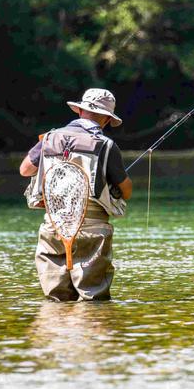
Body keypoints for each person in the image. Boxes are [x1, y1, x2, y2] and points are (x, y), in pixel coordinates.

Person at [19, 88, 132, 301]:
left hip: (53, 225)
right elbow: (126, 191)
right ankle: (91, 330)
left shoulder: (50, 138)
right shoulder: (107, 145)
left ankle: (59, 331)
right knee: (93, 299)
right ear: (107, 119)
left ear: (80, 111)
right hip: (92, 227)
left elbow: (25, 170)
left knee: (56, 300)